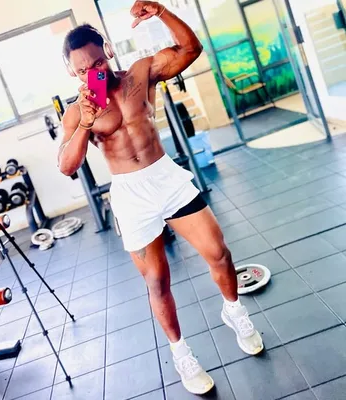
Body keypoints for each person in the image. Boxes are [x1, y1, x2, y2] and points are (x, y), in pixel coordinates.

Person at [58, 1, 263, 395]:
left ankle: (234, 311)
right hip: (130, 193)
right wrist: (85, 123)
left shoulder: (140, 74)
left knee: (219, 252)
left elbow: (191, 49)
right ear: (71, 71)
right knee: (157, 280)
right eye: (82, 70)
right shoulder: (76, 111)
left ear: (108, 51)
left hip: (165, 177)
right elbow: (67, 165)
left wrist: (162, 13)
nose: (92, 72)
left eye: (97, 62)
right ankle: (181, 353)